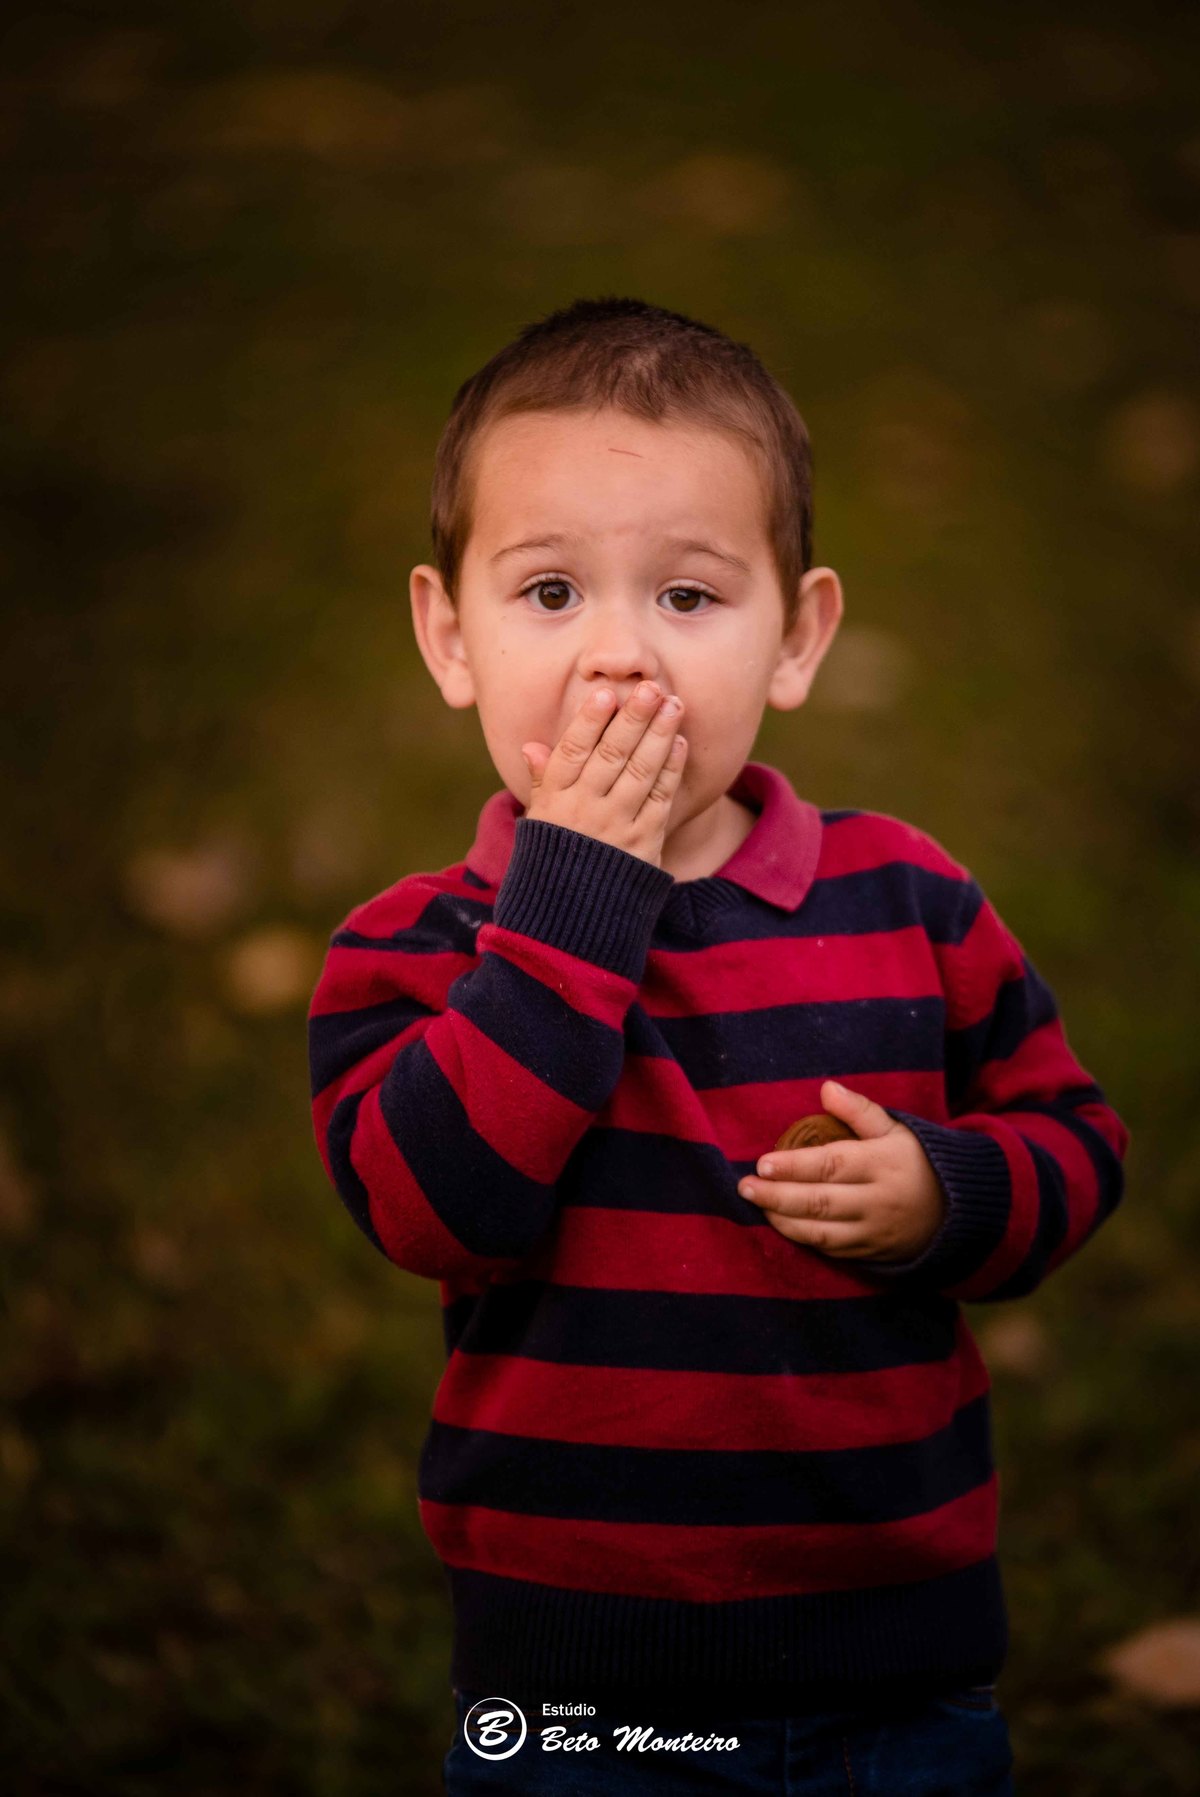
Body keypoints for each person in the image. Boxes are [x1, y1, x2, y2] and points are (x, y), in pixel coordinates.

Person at [306, 296, 1130, 1793]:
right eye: (550, 593)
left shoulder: (909, 899)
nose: (621, 656)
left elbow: (1077, 1137)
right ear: (450, 637)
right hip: (580, 1687)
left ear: (798, 634)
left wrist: (953, 1192)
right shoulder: (414, 946)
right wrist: (572, 900)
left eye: (688, 598)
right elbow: (435, 1208)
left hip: (901, 1670)